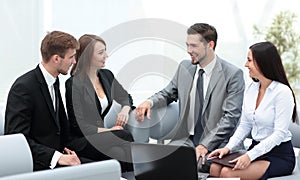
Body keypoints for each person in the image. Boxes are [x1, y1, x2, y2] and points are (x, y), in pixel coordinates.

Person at [135, 23, 245, 172]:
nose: (188, 51)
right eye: (187, 45)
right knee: (155, 164)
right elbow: (167, 93)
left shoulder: (232, 74)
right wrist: (149, 102)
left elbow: (231, 117)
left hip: (217, 144)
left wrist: (205, 145)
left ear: (210, 45)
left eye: (193, 46)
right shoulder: (185, 67)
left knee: (195, 166)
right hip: (186, 141)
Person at [208, 41, 298, 179]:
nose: (245, 64)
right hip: (256, 150)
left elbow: (279, 134)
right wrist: (228, 148)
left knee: (227, 173)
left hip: (279, 155)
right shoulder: (251, 89)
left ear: (262, 63)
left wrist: (249, 156)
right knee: (214, 168)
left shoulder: (282, 92)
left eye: (249, 60)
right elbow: (245, 125)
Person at [5, 31, 86, 171]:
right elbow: (17, 141)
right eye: (71, 57)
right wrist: (57, 157)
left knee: (108, 164)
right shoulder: (24, 88)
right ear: (56, 59)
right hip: (39, 163)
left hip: (59, 154)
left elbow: (61, 131)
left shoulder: (54, 81)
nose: (74, 62)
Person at [65, 34, 134, 172]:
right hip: (81, 140)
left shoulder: (106, 75)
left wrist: (125, 110)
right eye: (101, 52)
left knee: (119, 153)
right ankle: (144, 171)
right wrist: (109, 130)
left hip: (101, 137)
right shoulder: (74, 84)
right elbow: (79, 126)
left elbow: (125, 97)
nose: (106, 55)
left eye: (105, 51)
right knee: (124, 135)